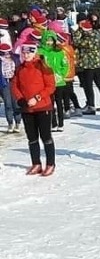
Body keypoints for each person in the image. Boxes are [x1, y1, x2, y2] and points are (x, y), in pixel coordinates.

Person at [11, 41, 56, 175]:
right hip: (27, 109)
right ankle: (36, 163)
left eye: (29, 52)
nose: (26, 55)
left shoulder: (43, 67)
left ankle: (50, 163)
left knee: (46, 136)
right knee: (32, 138)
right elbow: (14, 85)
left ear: (34, 52)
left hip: (43, 107)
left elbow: (50, 86)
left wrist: (37, 98)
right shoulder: (20, 68)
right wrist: (20, 99)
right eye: (24, 53)